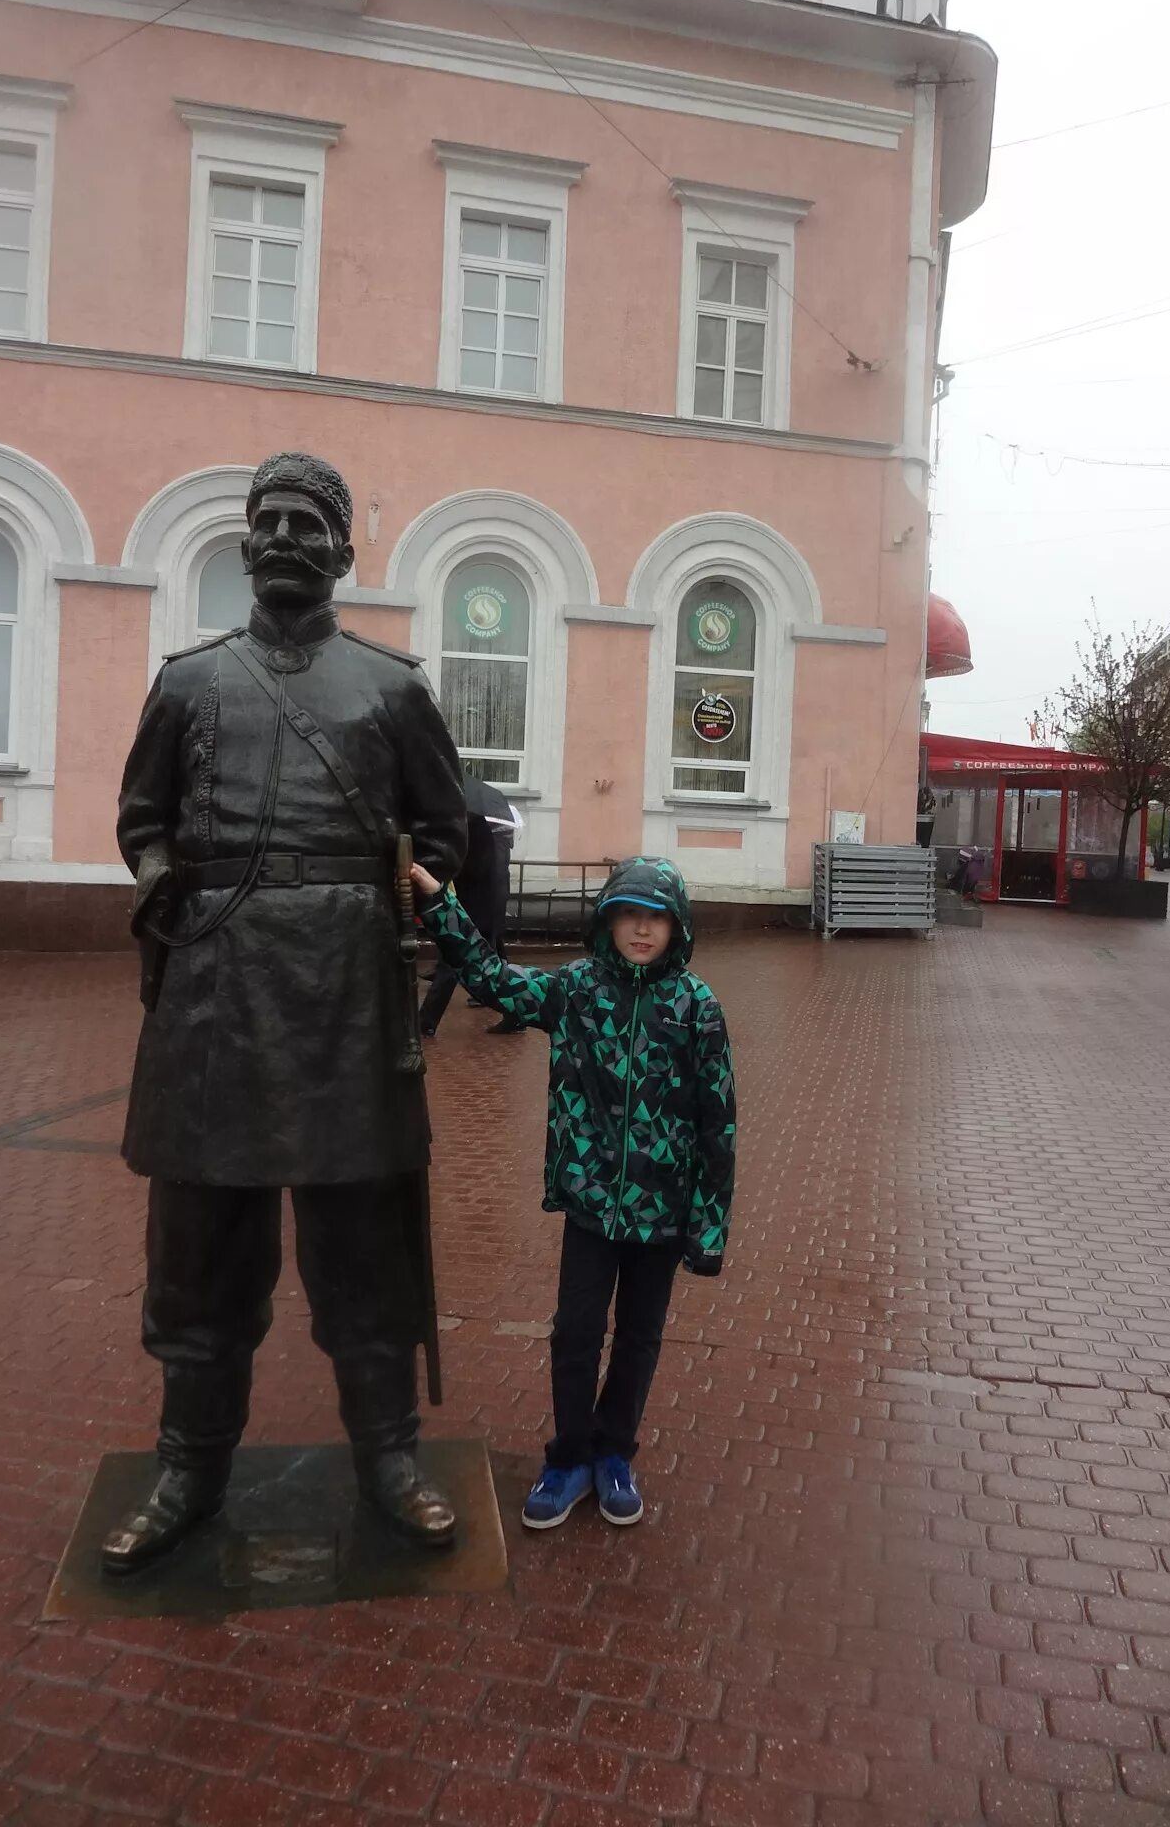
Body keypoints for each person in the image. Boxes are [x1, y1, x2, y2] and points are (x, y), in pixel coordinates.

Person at [105, 450, 467, 1574]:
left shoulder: (394, 689)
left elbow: (444, 836)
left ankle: (391, 1458)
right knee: (201, 1255)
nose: (285, 538)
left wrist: (415, 906)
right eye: (268, 520)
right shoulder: (189, 684)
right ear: (246, 542)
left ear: (343, 551)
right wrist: (172, 884)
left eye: (310, 523)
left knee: (364, 1250)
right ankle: (189, 1470)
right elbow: (140, 819)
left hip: (346, 1002)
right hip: (215, 999)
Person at [409, 854, 736, 1530]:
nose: (642, 931)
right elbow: (493, 978)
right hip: (592, 1203)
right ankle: (568, 1459)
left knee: (639, 1337)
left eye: (657, 919)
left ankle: (615, 1454)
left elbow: (718, 1123)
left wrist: (707, 1227)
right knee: (577, 1333)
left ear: (677, 927)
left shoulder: (697, 1008)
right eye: (630, 916)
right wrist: (441, 903)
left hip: (663, 1208)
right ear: (608, 921)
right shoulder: (578, 992)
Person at [420, 775, 522, 1038]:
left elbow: (474, 869)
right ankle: (516, 1014)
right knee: (493, 966)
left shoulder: (473, 830)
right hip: (480, 903)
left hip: (481, 906)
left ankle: (426, 1021)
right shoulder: (468, 827)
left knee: (453, 961)